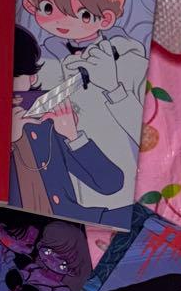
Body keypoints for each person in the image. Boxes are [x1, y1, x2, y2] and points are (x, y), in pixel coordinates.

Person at [19, 0, 147, 216]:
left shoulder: (128, 60)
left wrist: (114, 88)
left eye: (82, 13)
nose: (61, 20)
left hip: (119, 188)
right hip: (59, 193)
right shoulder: (41, 65)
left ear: (106, 19)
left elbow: (145, 131)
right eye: (48, 8)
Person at [8, 25, 124, 223]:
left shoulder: (45, 123)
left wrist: (74, 137)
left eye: (14, 76)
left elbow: (111, 184)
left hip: (71, 221)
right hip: (22, 226)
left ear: (32, 77)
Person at [4, 219, 90, 291]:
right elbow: (17, 276)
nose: (51, 260)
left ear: (72, 270)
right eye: (48, 251)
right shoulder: (34, 268)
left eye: (62, 263)